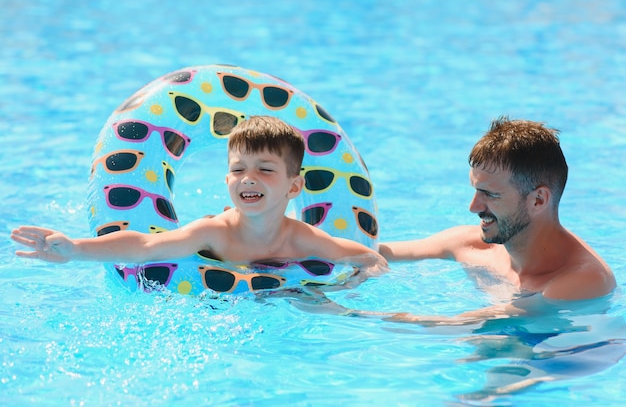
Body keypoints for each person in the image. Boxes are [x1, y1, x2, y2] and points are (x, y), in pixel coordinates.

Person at [11, 116, 387, 287]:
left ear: (294, 187)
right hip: (216, 300)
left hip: (281, 290)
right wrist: (76, 249)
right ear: (227, 180)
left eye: (266, 169)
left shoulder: (299, 238)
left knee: (324, 307)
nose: (249, 178)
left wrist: (359, 275)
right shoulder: (214, 233)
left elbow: (365, 256)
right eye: (239, 170)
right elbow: (146, 245)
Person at [379, 116, 616, 324]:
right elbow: (377, 251)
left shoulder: (584, 280)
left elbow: (463, 325)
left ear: (538, 200)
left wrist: (355, 315)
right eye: (476, 190)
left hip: (562, 356)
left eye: (490, 195)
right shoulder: (470, 243)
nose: (473, 207)